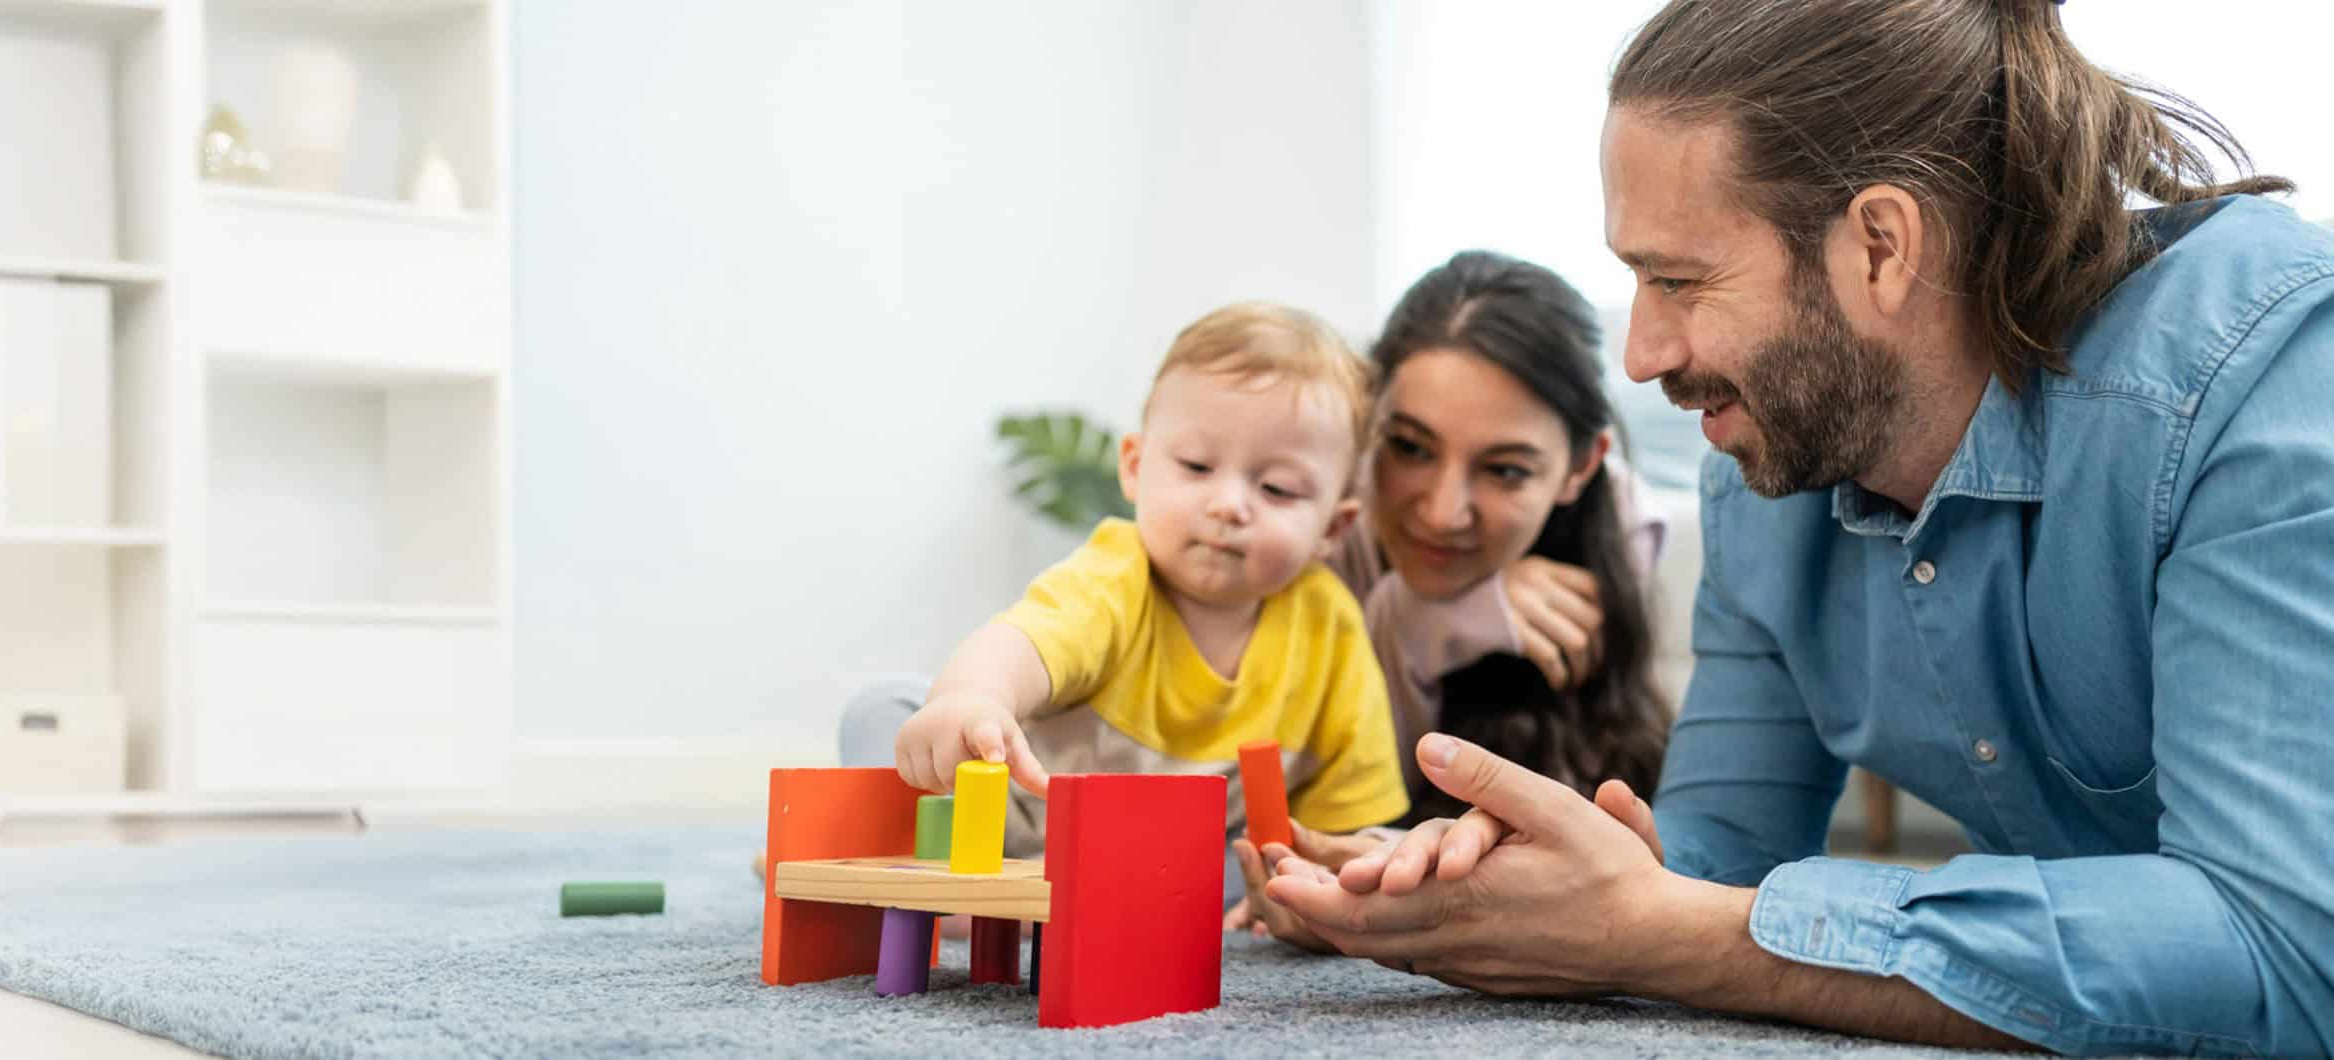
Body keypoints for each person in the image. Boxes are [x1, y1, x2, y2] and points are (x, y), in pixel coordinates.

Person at [1261, 1, 2334, 1054]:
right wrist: (1510, 877)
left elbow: (2285, 952)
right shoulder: (1767, 482)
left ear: (1880, 247)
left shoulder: (2267, 377)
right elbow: (1714, 860)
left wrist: (1666, 933)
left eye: (1677, 280)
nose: (1640, 354)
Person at [1225, 252, 1672, 947]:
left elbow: (1585, 805)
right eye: (1409, 447)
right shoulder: (1307, 526)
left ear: (1580, 466)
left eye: (1505, 470)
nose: (1441, 512)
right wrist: (1417, 623)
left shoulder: (1619, 524)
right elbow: (1272, 802)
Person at [889, 301, 1408, 876]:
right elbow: (1018, 647)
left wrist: (1324, 878)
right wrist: (972, 699)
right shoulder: (1115, 578)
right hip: (1011, 832)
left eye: (1277, 488)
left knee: (1252, 872)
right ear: (1135, 467)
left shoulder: (1330, 628)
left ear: (1333, 527)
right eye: (1197, 466)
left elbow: (1343, 818)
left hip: (1170, 869)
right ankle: (908, 814)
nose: (1229, 505)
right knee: (896, 715)